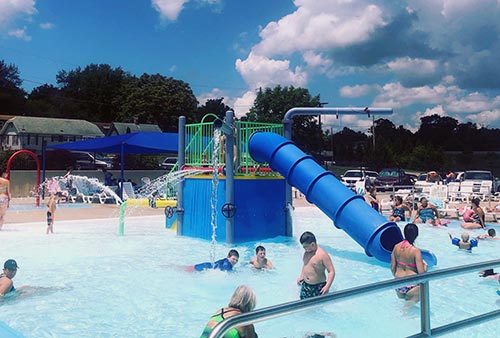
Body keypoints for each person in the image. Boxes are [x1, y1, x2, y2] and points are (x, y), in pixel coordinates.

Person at [390, 223, 427, 302]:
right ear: (416, 235)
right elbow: (421, 274)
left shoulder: (396, 247)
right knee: (407, 310)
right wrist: (425, 267)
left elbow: (392, 267)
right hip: (412, 284)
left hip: (398, 283)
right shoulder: (416, 251)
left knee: (406, 306)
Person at [297, 231, 335, 299]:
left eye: (305, 247)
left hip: (318, 287)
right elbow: (305, 264)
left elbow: (331, 271)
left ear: (312, 244)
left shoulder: (322, 255)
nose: (304, 249)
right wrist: (301, 276)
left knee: (318, 308)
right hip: (305, 286)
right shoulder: (307, 252)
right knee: (303, 306)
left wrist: (327, 286)